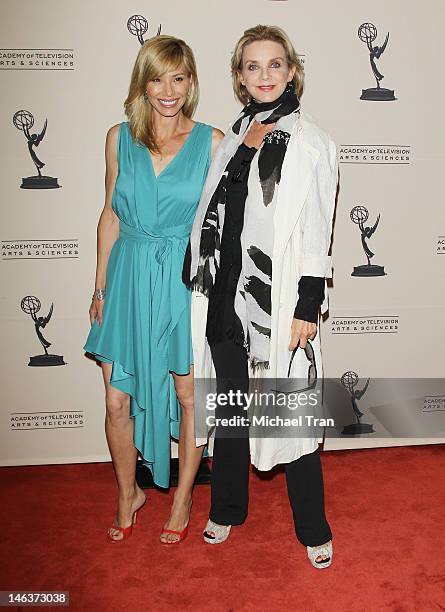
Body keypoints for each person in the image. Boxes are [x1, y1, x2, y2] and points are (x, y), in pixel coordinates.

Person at [185, 25, 338, 568]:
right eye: (253, 66)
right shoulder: (232, 138)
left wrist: (306, 307)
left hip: (276, 302)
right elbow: (214, 216)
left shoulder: (311, 141)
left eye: (275, 65)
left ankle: (314, 528)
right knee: (229, 409)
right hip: (226, 295)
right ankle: (226, 508)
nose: (265, 75)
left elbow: (320, 229)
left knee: (288, 410)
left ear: (291, 71)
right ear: (239, 78)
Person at [84, 35, 223, 544]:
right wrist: (99, 285)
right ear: (142, 82)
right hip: (126, 277)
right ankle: (128, 492)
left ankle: (184, 495)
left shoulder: (211, 142)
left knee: (188, 396)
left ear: (191, 83)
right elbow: (109, 214)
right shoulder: (117, 137)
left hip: (183, 282)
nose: (168, 90)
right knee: (116, 401)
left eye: (178, 78)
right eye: (157, 78)